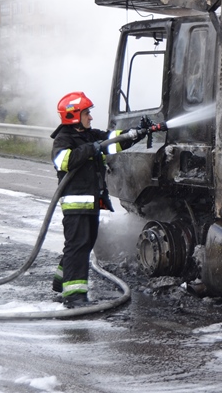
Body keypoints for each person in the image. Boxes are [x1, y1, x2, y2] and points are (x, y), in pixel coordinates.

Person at [50, 91, 141, 308]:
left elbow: (113, 141)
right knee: (78, 246)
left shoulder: (89, 135)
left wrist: (136, 133)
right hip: (75, 205)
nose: (90, 117)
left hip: (90, 203)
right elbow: (63, 160)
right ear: (74, 115)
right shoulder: (64, 138)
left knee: (83, 244)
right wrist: (93, 148)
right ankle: (73, 296)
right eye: (86, 113)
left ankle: (60, 282)